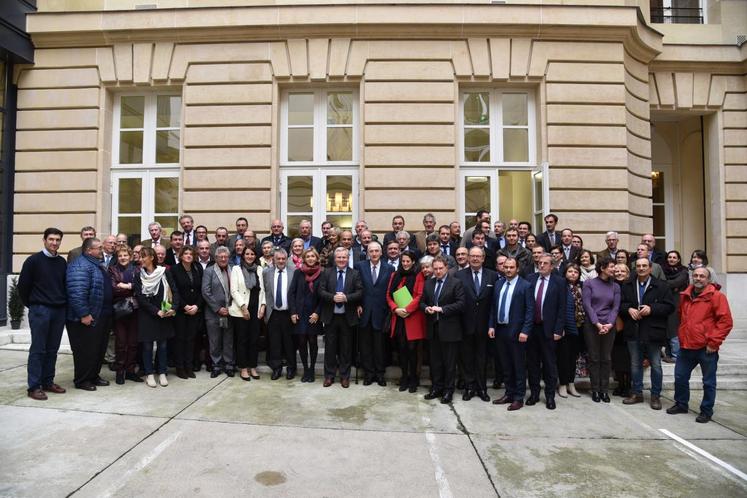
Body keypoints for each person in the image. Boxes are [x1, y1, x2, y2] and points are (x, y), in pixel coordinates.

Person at [667, 266, 733, 423]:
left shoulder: (717, 297)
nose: (698, 278)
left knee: (708, 382)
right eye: (695, 275)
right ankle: (681, 404)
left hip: (706, 348)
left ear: (708, 279)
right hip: (686, 346)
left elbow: (726, 322)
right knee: (680, 377)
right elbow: (682, 316)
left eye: (702, 276)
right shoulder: (685, 295)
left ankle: (706, 411)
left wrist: (714, 342)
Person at [19, 228, 68, 400]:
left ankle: (48, 382)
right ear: (44, 240)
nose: (54, 243)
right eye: (51, 239)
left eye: (57, 240)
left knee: (52, 349)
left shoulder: (62, 262)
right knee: (38, 349)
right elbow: (23, 287)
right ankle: (34, 386)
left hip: (58, 310)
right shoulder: (33, 261)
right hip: (40, 309)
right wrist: (34, 305)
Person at [620, 258, 675, 410]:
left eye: (644, 266)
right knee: (635, 364)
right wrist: (628, 309)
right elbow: (620, 304)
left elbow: (670, 307)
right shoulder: (628, 285)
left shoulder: (662, 286)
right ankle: (636, 393)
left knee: (656, 364)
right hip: (634, 330)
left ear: (650, 268)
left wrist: (652, 309)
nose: (641, 268)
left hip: (653, 331)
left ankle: (655, 395)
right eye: (638, 266)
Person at [65, 237, 113, 391]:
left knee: (97, 349)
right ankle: (82, 380)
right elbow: (76, 292)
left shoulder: (96, 264)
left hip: (101, 315)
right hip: (86, 317)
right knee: (85, 350)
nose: (102, 250)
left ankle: (93, 376)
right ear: (88, 250)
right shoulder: (79, 265)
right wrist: (84, 314)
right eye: (98, 248)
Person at [488, 258, 534, 411]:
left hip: (517, 331)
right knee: (505, 365)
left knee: (518, 365)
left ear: (517, 269)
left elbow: (530, 311)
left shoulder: (525, 286)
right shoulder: (499, 284)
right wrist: (491, 326)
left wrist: (525, 331)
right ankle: (509, 393)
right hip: (500, 330)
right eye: (506, 267)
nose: (508, 270)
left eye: (511, 267)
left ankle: (519, 397)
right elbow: (493, 307)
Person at [455, 246, 497, 402]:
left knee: (482, 359)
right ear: (468, 258)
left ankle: (482, 388)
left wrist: (492, 324)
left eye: (478, 256)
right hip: (465, 325)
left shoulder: (493, 276)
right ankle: (469, 387)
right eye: (472, 256)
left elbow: (494, 303)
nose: (474, 258)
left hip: (485, 326)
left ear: (483, 258)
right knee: (467, 358)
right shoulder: (459, 276)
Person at [421, 256, 465, 404]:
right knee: (435, 362)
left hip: (450, 330)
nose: (438, 271)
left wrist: (442, 309)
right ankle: (436, 388)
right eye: (436, 268)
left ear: (446, 268)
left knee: (449, 363)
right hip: (433, 329)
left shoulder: (456, 283)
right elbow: (422, 301)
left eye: (441, 268)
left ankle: (448, 391)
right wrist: (426, 308)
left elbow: (461, 304)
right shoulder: (428, 283)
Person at [525, 254, 567, 410]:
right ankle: (534, 394)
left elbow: (562, 308)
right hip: (531, 328)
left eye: (545, 263)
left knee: (549, 364)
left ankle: (550, 396)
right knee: (532, 363)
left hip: (549, 329)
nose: (541, 265)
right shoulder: (530, 279)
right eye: (539, 263)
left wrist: (558, 329)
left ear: (552, 266)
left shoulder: (560, 282)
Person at [133, 246, 178, 388]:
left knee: (163, 345)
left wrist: (174, 308)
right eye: (140, 257)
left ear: (151, 258)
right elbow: (140, 298)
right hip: (147, 314)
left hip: (164, 313)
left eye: (143, 256)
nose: (141, 259)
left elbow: (175, 291)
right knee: (147, 346)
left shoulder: (164, 272)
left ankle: (162, 372)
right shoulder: (138, 275)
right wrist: (155, 311)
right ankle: (149, 373)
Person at [318, 247, 363, 388]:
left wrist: (346, 298)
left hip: (347, 317)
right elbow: (320, 291)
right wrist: (333, 298)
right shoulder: (326, 272)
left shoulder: (354, 274)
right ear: (335, 259)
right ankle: (329, 376)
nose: (341, 260)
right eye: (339, 257)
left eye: (344, 257)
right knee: (330, 348)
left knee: (346, 348)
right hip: (331, 317)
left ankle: (344, 376)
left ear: (347, 258)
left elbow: (360, 292)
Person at [355, 241, 395, 386]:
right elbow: (356, 287)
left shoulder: (389, 268)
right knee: (365, 346)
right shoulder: (360, 266)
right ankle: (368, 374)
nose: (373, 253)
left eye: (376, 251)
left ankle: (380, 374)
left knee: (380, 346)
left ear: (381, 252)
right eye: (371, 251)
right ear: (367, 252)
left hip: (381, 312)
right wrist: (358, 304)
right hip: (364, 312)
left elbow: (391, 290)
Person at [581, 257, 620, 403]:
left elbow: (615, 307)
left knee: (606, 358)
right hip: (592, 326)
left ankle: (605, 390)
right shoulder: (589, 283)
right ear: (602, 268)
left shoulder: (616, 286)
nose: (614, 269)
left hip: (609, 326)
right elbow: (587, 305)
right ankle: (595, 390)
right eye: (611, 266)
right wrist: (597, 323)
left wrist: (609, 324)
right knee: (594, 358)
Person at [386, 251, 426, 393]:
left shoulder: (419, 275)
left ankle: (414, 379)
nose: (405, 263)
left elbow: (420, 295)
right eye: (403, 261)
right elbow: (388, 295)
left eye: (408, 261)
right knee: (401, 349)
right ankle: (404, 377)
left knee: (412, 350)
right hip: (398, 317)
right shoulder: (394, 275)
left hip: (413, 317)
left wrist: (407, 309)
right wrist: (395, 309)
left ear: (413, 261)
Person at [229, 245, 266, 382]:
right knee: (242, 340)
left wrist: (263, 306)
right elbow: (234, 291)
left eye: (252, 254)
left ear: (255, 256)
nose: (250, 256)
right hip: (241, 310)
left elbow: (263, 290)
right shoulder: (236, 269)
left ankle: (253, 366)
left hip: (256, 310)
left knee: (254, 340)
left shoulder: (260, 269)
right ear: (243, 256)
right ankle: (243, 368)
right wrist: (243, 308)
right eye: (247, 254)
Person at [262, 248, 298, 380]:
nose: (281, 261)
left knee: (289, 343)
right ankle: (276, 368)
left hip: (288, 313)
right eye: (278, 259)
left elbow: (296, 293)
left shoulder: (294, 272)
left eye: (284, 258)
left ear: (287, 259)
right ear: (274, 259)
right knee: (275, 342)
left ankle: (291, 368)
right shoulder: (267, 272)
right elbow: (264, 291)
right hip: (273, 313)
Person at [289, 248, 323, 382]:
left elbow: (323, 296)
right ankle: (306, 370)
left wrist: (317, 313)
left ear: (316, 258)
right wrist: (293, 312)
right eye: (307, 256)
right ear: (304, 258)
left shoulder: (322, 273)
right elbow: (292, 293)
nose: (310, 258)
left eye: (312, 256)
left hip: (314, 314)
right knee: (302, 342)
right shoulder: (298, 273)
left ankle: (312, 369)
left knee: (313, 342)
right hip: (300, 313)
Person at [170, 246, 204, 380]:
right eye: (186, 253)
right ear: (181, 255)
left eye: (191, 253)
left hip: (195, 311)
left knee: (191, 340)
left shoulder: (198, 268)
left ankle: (189, 367)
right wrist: (184, 306)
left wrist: (196, 306)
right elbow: (174, 290)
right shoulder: (174, 269)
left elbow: (202, 289)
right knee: (180, 340)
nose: (189, 255)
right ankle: (180, 368)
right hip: (180, 311)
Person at [109, 246, 141, 385]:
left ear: (130, 256)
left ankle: (130, 370)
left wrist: (125, 286)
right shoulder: (112, 269)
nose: (123, 258)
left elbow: (140, 287)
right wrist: (128, 287)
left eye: (125, 255)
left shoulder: (137, 270)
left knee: (133, 342)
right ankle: (120, 371)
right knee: (121, 343)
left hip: (135, 310)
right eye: (120, 255)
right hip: (120, 311)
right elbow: (113, 288)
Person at [202, 246, 235, 378]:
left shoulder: (233, 270)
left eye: (225, 257)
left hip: (230, 311)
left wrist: (230, 308)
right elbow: (206, 291)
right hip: (213, 313)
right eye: (220, 257)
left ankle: (228, 365)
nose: (223, 259)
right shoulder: (209, 271)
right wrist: (218, 308)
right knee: (214, 341)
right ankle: (216, 365)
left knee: (228, 340)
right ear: (215, 258)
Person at [559, 263, 583, 398]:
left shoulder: (581, 287)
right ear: (565, 273)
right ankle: (562, 384)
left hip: (578, 328)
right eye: (570, 271)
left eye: (576, 272)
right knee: (563, 357)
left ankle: (571, 384)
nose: (573, 274)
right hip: (564, 328)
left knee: (573, 358)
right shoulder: (561, 287)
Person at [663, 250, 689, 363]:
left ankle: (676, 355)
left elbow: (676, 282)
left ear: (678, 259)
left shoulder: (684, 271)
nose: (672, 259)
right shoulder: (663, 270)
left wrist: (666, 284)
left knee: (674, 328)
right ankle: (668, 354)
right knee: (666, 328)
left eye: (674, 257)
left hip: (678, 302)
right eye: (670, 257)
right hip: (665, 301)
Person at [611, 263, 632, 397]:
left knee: (628, 358)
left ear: (628, 273)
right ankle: (620, 384)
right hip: (614, 325)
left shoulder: (631, 286)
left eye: (622, 271)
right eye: (616, 271)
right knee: (617, 357)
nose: (619, 273)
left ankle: (628, 386)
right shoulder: (611, 285)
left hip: (629, 325)